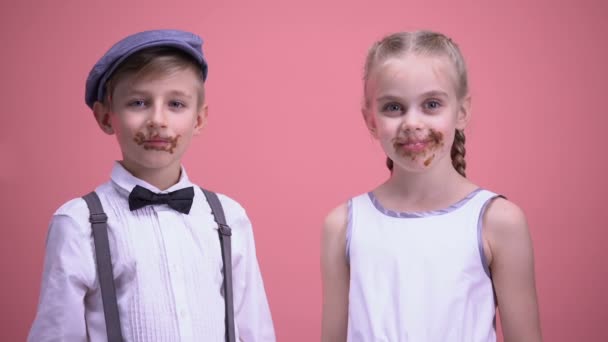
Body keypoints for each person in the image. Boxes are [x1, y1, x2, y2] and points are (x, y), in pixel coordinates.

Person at [29, 29, 275, 342]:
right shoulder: (78, 223)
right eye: (138, 102)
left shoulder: (229, 218)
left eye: (175, 104)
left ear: (198, 120)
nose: (157, 120)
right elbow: (57, 334)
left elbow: (255, 330)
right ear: (106, 117)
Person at [321, 30, 542, 342]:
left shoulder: (499, 221)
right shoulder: (342, 226)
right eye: (393, 107)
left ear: (461, 112)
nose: (412, 122)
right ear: (370, 120)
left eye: (432, 104)